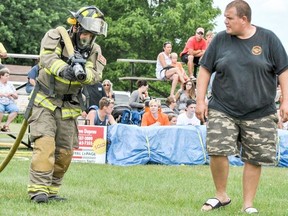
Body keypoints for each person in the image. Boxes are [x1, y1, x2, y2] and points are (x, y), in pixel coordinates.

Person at [195, 0, 288, 214]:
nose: (225, 22)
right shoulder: (220, 40)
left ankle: (248, 204)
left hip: (260, 110)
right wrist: (200, 101)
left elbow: (284, 70)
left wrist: (286, 101)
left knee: (255, 157)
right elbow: (205, 70)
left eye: (229, 18)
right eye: (225, 18)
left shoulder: (269, 39)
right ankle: (221, 195)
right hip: (223, 107)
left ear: (244, 19)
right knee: (217, 148)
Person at [27, 6, 108, 203]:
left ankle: (52, 191)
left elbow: (95, 74)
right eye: (85, 33)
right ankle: (38, 191)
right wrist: (64, 69)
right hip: (45, 101)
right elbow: (47, 58)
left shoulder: (94, 50)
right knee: (45, 145)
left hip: (70, 105)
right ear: (76, 28)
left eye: (91, 35)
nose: (87, 38)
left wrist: (83, 73)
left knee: (65, 152)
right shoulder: (56, 35)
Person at [0, 65, 19, 132]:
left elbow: (16, 96)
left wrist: (12, 94)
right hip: (0, 101)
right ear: (1, 76)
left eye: (8, 76)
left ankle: (6, 126)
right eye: (6, 76)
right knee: (0, 109)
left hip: (9, 102)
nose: (8, 77)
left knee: (15, 110)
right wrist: (3, 94)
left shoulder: (10, 84)